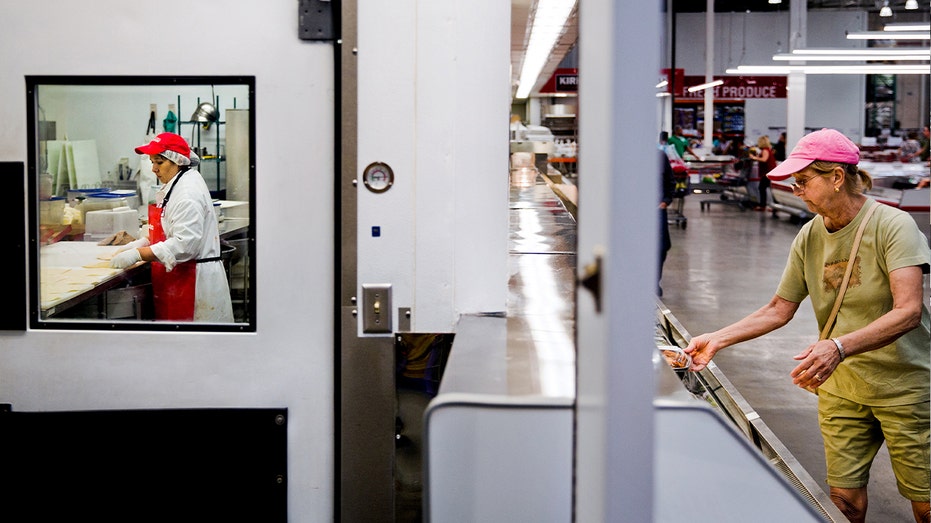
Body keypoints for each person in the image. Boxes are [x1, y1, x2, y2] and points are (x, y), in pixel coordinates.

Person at [684, 128, 930, 523]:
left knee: (926, 502)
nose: (796, 190)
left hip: (903, 385)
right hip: (842, 387)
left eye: (803, 181)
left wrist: (838, 347)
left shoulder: (892, 226)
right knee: (844, 500)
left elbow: (908, 311)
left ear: (836, 177)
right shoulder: (810, 235)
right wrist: (716, 338)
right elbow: (779, 308)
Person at [111, 133, 234, 323]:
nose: (153, 169)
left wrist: (138, 254)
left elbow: (185, 245)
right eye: (152, 162)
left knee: (196, 346)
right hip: (180, 278)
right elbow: (171, 227)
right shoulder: (178, 183)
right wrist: (145, 241)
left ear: (177, 161)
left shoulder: (187, 193)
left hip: (195, 284)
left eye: (159, 162)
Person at [658, 138, 676, 296]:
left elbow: (671, 182)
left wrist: (666, 201)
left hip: (657, 211)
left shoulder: (660, 156)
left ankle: (654, 282)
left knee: (662, 247)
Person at [749, 135, 777, 211]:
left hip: (767, 172)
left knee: (762, 188)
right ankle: (773, 205)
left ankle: (763, 205)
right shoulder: (767, 150)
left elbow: (764, 159)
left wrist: (754, 157)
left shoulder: (765, 150)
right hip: (769, 172)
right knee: (766, 188)